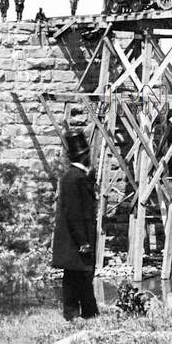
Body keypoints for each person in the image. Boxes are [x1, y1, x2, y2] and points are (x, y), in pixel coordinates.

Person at [52, 129, 99, 321]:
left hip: (78, 237)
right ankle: (75, 314)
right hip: (76, 238)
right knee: (76, 276)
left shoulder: (76, 176)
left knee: (80, 275)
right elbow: (73, 213)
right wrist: (83, 241)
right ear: (85, 154)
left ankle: (88, 312)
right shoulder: (73, 178)